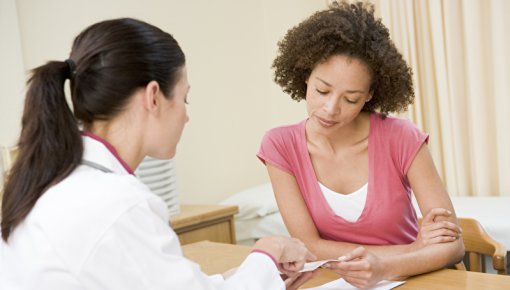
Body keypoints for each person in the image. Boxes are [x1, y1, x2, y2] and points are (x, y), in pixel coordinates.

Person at [0, 18, 317, 290]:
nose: (186, 116)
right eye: (184, 99)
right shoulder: (118, 204)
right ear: (153, 96)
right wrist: (266, 251)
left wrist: (248, 273)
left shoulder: (58, 182)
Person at [257, 1, 465, 288]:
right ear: (305, 75)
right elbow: (308, 245)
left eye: (351, 98)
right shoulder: (280, 145)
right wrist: (413, 249)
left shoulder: (401, 137)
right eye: (321, 90)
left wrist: (385, 268)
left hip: (419, 281)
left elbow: (453, 246)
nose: (330, 108)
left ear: (369, 95)